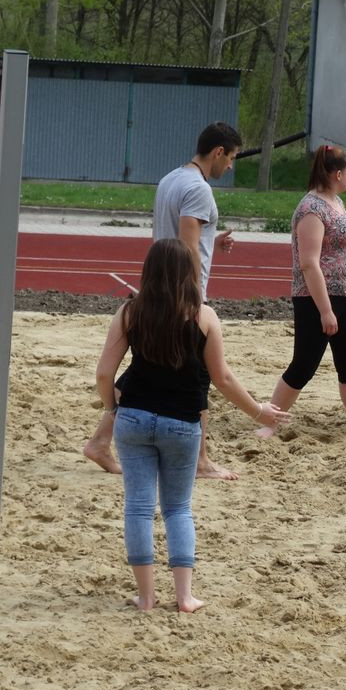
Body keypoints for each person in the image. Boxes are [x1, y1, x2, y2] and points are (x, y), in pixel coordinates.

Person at [95, 238, 288, 612]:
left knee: (137, 507)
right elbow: (224, 379)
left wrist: (112, 407)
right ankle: (184, 597)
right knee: (178, 508)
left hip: (133, 418)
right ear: (189, 273)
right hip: (183, 424)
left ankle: (146, 597)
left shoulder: (130, 313)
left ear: (148, 272)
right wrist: (259, 412)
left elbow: (105, 372)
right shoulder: (204, 316)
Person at [86, 121, 243, 479]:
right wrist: (195, 302)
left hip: (159, 285)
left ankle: (99, 440)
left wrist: (212, 244)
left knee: (145, 372)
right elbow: (187, 244)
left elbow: (177, 236)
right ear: (218, 152)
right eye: (231, 157)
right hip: (180, 295)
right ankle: (201, 461)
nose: (230, 166)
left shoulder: (171, 178)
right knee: (197, 376)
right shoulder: (198, 189)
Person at [255, 144, 346, 447]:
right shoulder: (311, 208)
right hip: (317, 298)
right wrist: (326, 310)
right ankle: (269, 422)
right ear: (338, 173)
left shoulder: (335, 201)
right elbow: (309, 263)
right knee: (304, 365)